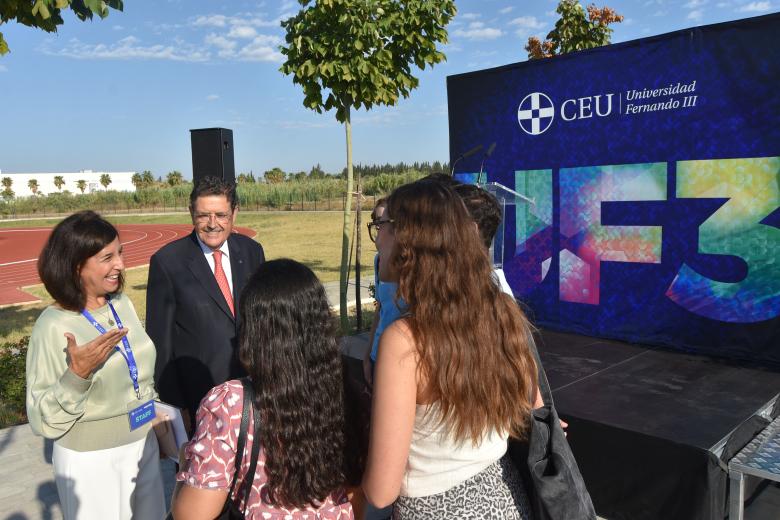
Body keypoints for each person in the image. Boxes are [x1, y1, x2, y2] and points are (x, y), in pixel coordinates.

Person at [361, 180, 538, 519]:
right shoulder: (500, 309)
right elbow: (528, 402)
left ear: (406, 239)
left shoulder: (405, 340)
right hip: (505, 497)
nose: (378, 238)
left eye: (381, 227)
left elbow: (381, 492)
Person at [171, 259, 354, 519]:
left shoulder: (230, 403)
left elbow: (191, 515)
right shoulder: (343, 389)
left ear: (256, 332)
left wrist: (184, 462)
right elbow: (356, 489)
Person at [26, 210, 165, 519]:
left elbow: (139, 372)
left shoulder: (122, 304)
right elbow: (42, 420)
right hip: (91, 462)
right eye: (107, 258)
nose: (121, 265)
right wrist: (77, 374)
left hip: (143, 446)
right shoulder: (53, 325)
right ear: (76, 265)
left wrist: (158, 421)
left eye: (121, 253)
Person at [147, 176, 265, 430]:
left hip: (252, 396)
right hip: (200, 404)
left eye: (221, 215)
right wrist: (176, 408)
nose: (212, 224)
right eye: (203, 216)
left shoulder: (252, 252)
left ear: (235, 212)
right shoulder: (167, 262)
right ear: (191, 213)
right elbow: (160, 344)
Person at [363, 198, 407, 387]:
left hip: (401, 360)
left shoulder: (414, 271)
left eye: (383, 224)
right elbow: (380, 310)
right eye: (376, 224)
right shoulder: (378, 262)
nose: (379, 236)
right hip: (377, 354)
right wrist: (368, 353)